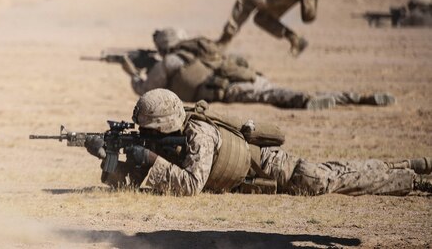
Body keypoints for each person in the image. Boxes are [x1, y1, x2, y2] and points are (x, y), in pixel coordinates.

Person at [85, 89, 431, 196]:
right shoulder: (175, 134)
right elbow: (137, 179)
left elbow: (190, 186)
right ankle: (409, 167)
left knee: (332, 178)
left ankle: (412, 177)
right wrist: (108, 156)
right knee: (338, 173)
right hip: (253, 177)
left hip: (280, 170)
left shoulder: (198, 134)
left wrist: (147, 158)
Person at [119, 28, 395, 110]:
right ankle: (356, 97)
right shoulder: (197, 50)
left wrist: (130, 71)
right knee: (275, 90)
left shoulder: (169, 62)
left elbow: (146, 91)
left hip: (230, 88)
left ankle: (308, 101)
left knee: (274, 97)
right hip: (246, 75)